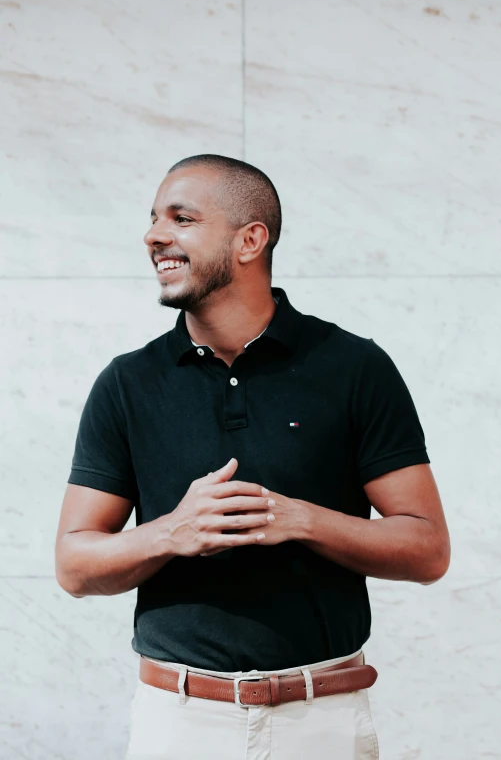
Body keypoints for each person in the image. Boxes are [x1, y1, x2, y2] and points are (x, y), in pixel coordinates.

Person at [55, 154, 451, 760]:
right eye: (154, 218)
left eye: (181, 218)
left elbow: (427, 550)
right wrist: (170, 533)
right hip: (178, 725)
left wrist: (300, 520)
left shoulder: (352, 368)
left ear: (250, 240)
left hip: (324, 720)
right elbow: (75, 565)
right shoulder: (128, 384)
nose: (154, 235)